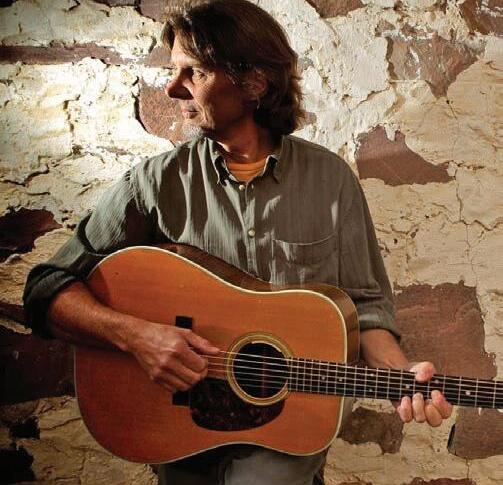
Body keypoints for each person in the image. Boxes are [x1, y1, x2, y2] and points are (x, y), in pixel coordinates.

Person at [23, 1, 452, 484]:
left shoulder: (330, 180)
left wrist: (399, 376)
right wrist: (138, 337)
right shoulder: (154, 184)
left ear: (254, 83)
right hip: (177, 423)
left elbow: (364, 310)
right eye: (174, 70)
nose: (172, 88)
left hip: (288, 423)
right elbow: (45, 289)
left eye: (195, 72)